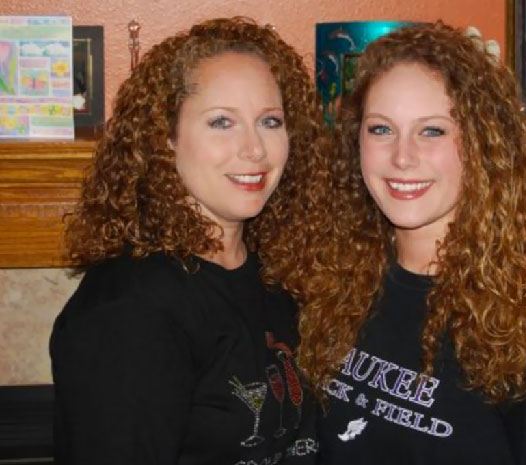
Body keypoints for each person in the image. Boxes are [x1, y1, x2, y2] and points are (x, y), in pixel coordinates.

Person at [296, 22, 526, 464]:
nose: (402, 157)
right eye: (381, 129)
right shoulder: (334, 276)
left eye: (432, 131)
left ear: (483, 143)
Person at [50, 17, 324, 465]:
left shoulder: (279, 272)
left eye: (270, 121)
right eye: (222, 122)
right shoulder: (129, 310)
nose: (255, 149)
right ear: (166, 138)